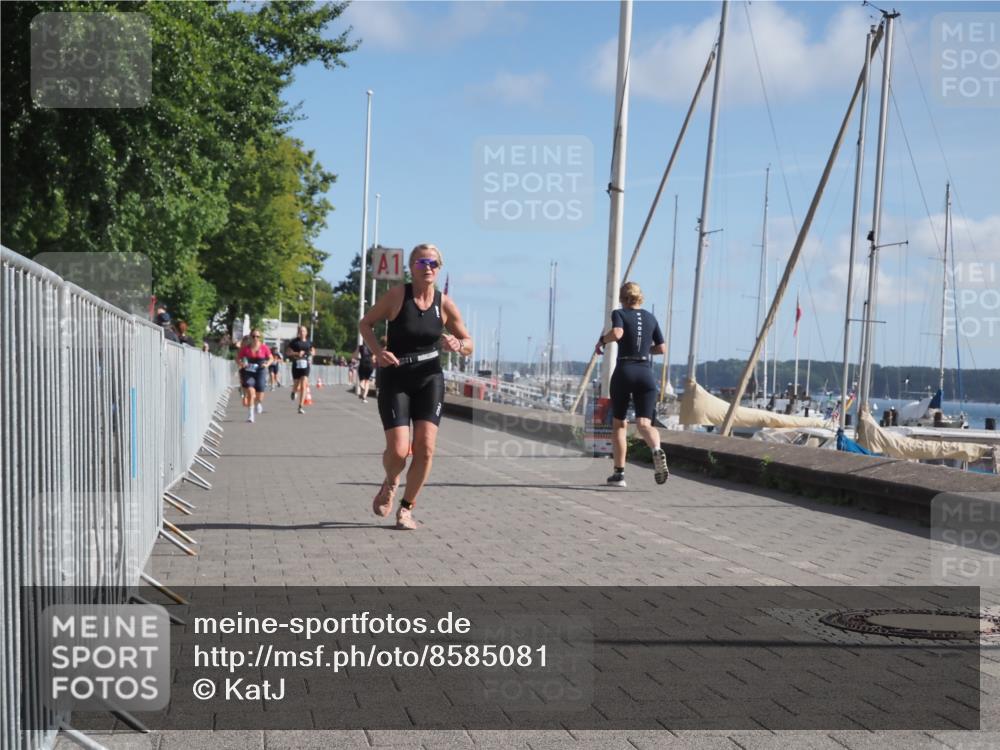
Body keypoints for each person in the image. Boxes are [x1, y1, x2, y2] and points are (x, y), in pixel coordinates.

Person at [359, 243, 472, 530]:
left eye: (433, 263)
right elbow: (366, 324)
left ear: (439, 268)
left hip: (429, 379)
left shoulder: (444, 304)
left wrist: (458, 344)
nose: (428, 268)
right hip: (396, 377)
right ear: (411, 267)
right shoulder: (398, 296)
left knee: (426, 448)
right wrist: (377, 352)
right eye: (422, 263)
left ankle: (406, 508)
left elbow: (469, 343)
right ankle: (391, 481)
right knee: (399, 451)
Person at [595, 282, 669, 487]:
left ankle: (619, 475)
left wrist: (602, 341)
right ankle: (656, 449)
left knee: (619, 424)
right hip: (646, 373)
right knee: (645, 424)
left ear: (622, 298)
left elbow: (617, 333)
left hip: (625, 371)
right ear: (640, 297)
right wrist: (645, 350)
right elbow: (661, 348)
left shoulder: (619, 313)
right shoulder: (651, 317)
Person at [237, 329, 273, 423]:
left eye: (257, 336)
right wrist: (241, 364)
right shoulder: (246, 348)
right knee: (250, 391)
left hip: (260, 371)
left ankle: (258, 402)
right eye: (253, 336)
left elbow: (271, 358)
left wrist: (267, 364)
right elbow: (237, 358)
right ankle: (250, 415)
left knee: (260, 394)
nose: (255, 338)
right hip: (249, 372)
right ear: (250, 337)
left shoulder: (264, 348)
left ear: (260, 337)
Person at [286, 325, 315, 415]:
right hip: (296, 365)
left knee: (303, 385)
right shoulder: (294, 342)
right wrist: (297, 353)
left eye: (304, 331)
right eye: (301, 331)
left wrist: (311, 353)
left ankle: (300, 406)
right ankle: (293, 391)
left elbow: (313, 351)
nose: (302, 332)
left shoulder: (309, 342)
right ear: (298, 332)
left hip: (305, 365)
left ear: (306, 332)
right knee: (296, 384)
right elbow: (288, 352)